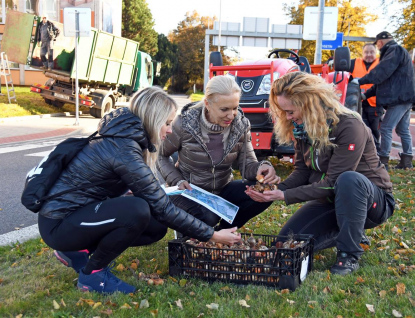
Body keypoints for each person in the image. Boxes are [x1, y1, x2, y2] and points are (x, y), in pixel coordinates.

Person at [37, 87, 241, 294]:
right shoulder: (123, 148)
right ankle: (93, 275)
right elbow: (162, 207)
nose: (170, 130)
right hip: (59, 224)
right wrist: (212, 235)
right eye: (167, 123)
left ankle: (77, 252)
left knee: (155, 227)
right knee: (138, 210)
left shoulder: (125, 138)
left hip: (75, 217)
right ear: (153, 119)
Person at [246, 72, 395, 275]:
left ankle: (348, 254)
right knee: (285, 244)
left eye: (290, 111)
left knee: (348, 180)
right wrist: (274, 189)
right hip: (329, 199)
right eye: (284, 112)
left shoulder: (349, 125)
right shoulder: (302, 128)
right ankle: (351, 232)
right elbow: (302, 171)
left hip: (372, 202)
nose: (288, 117)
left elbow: (334, 181)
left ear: (309, 103)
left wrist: (285, 195)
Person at [158, 75, 279, 231]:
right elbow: (160, 155)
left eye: (235, 108)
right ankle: (198, 232)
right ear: (207, 104)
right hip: (188, 191)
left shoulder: (240, 125)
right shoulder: (183, 124)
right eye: (224, 109)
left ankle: (223, 231)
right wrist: (177, 181)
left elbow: (248, 164)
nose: (231, 115)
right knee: (209, 216)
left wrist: (262, 167)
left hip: (222, 190)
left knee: (269, 191)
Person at [351, 31, 414, 169]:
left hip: (399, 99)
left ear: (379, 43)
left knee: (385, 128)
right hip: (405, 97)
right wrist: (366, 95)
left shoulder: (394, 50)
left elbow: (381, 73)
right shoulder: (397, 52)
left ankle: (383, 160)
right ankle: (407, 160)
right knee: (402, 129)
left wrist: (360, 81)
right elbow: (384, 81)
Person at [349, 43, 381, 151]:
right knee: (361, 128)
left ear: (375, 53)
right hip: (358, 103)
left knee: (375, 130)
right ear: (362, 53)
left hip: (375, 104)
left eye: (371, 52)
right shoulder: (354, 63)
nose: (369, 55)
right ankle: (363, 151)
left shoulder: (381, 64)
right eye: (366, 52)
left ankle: (376, 152)